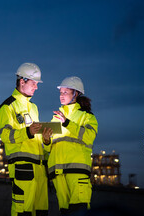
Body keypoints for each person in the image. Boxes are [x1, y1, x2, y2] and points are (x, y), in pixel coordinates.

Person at [0, 62, 52, 216]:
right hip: (23, 168)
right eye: (34, 83)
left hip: (40, 170)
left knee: (40, 212)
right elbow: (5, 135)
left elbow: (36, 141)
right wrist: (27, 132)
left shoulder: (33, 107)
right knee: (23, 211)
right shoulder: (7, 107)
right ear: (22, 82)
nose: (36, 87)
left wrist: (46, 140)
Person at [42, 76, 98, 216]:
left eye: (65, 92)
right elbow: (49, 148)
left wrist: (67, 123)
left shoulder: (87, 117)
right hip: (58, 173)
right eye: (61, 92)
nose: (62, 96)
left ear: (76, 93)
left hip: (77, 172)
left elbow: (89, 137)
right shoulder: (56, 118)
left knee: (79, 210)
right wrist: (46, 140)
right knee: (65, 211)